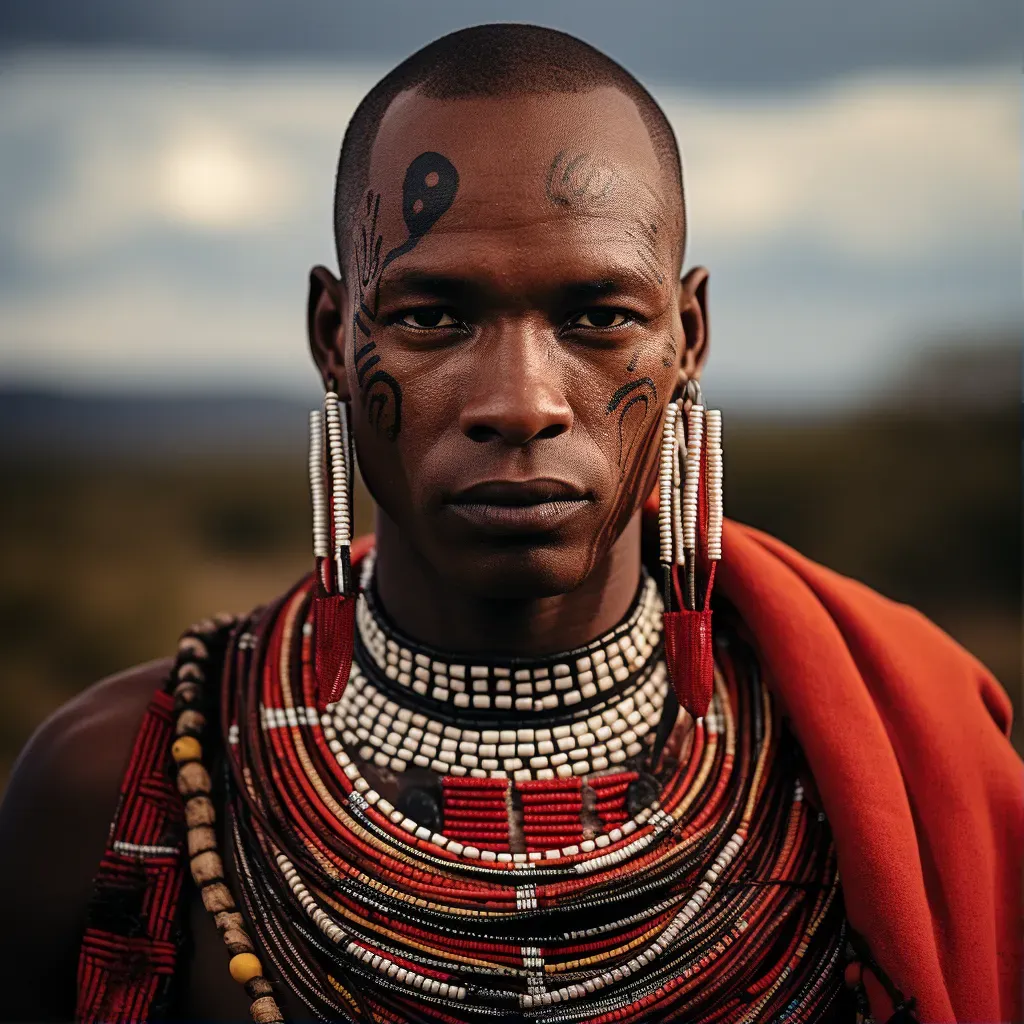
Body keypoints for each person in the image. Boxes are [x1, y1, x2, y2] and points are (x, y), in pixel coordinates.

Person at [0, 23, 1018, 1024]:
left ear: (689, 335)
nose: (521, 400)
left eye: (597, 315)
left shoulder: (892, 755)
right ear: (330, 335)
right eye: (432, 317)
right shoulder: (115, 786)